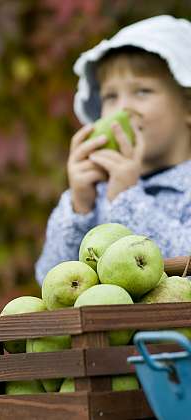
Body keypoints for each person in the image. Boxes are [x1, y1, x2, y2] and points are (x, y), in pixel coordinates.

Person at [35, 15, 191, 285]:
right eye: (110, 96)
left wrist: (127, 199)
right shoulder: (98, 193)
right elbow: (49, 280)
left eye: (142, 91)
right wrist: (79, 203)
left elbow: (185, 265)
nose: (123, 108)